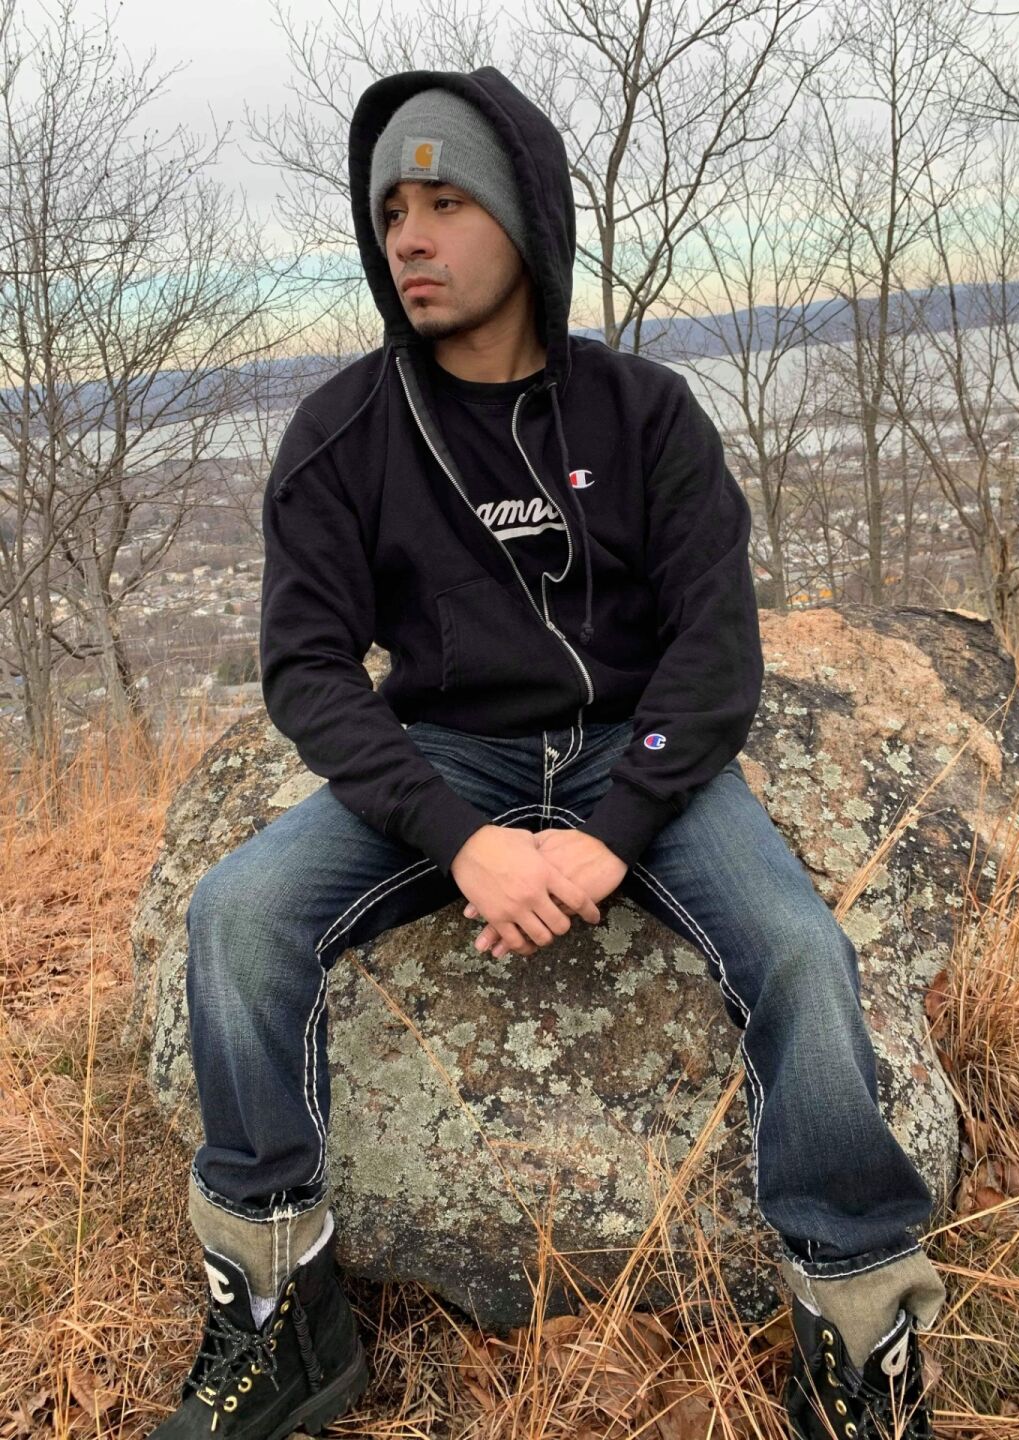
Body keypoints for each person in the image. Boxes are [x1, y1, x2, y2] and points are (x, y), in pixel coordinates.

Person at [149, 65, 947, 1440]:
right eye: (390, 212)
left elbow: (713, 654)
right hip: (447, 759)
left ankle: (861, 1332)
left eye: (445, 204)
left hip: (635, 755)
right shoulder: (344, 434)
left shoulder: (645, 415)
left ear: (525, 216)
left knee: (801, 951)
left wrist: (608, 832)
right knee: (236, 918)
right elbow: (309, 672)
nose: (408, 239)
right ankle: (281, 1311)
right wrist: (464, 844)